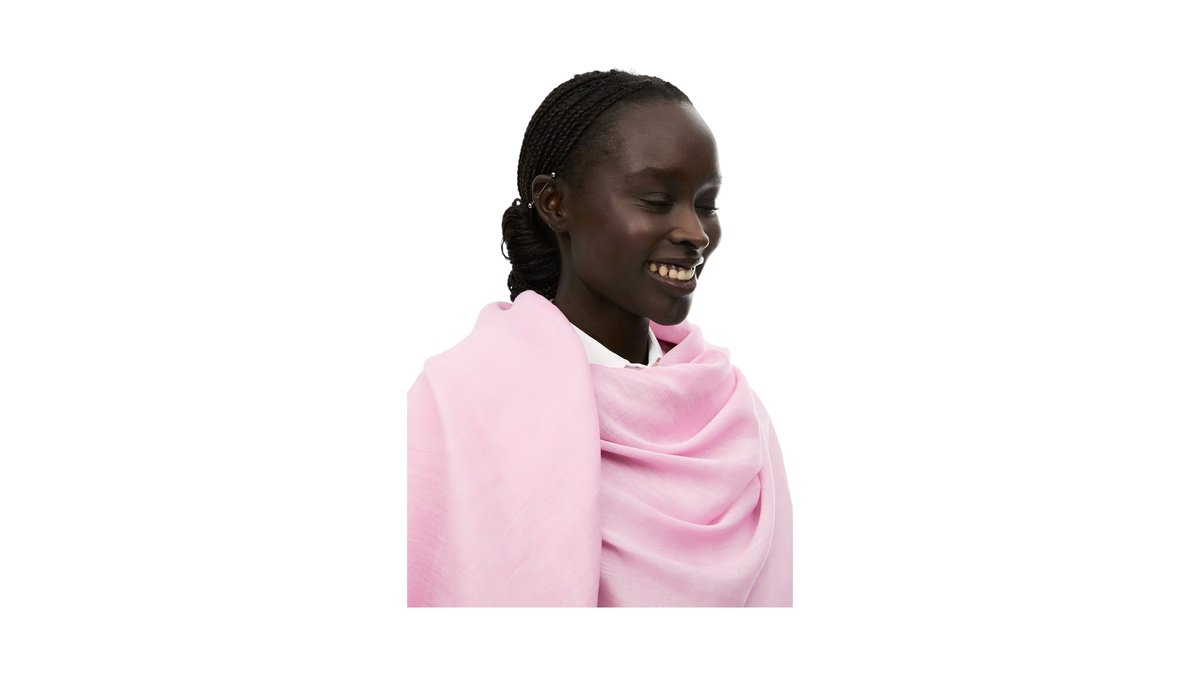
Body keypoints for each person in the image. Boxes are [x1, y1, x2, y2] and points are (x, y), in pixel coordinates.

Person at [408, 69, 792, 607]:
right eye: (656, 200)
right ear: (555, 203)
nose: (696, 233)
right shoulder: (452, 407)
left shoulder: (735, 413)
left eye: (707, 204)